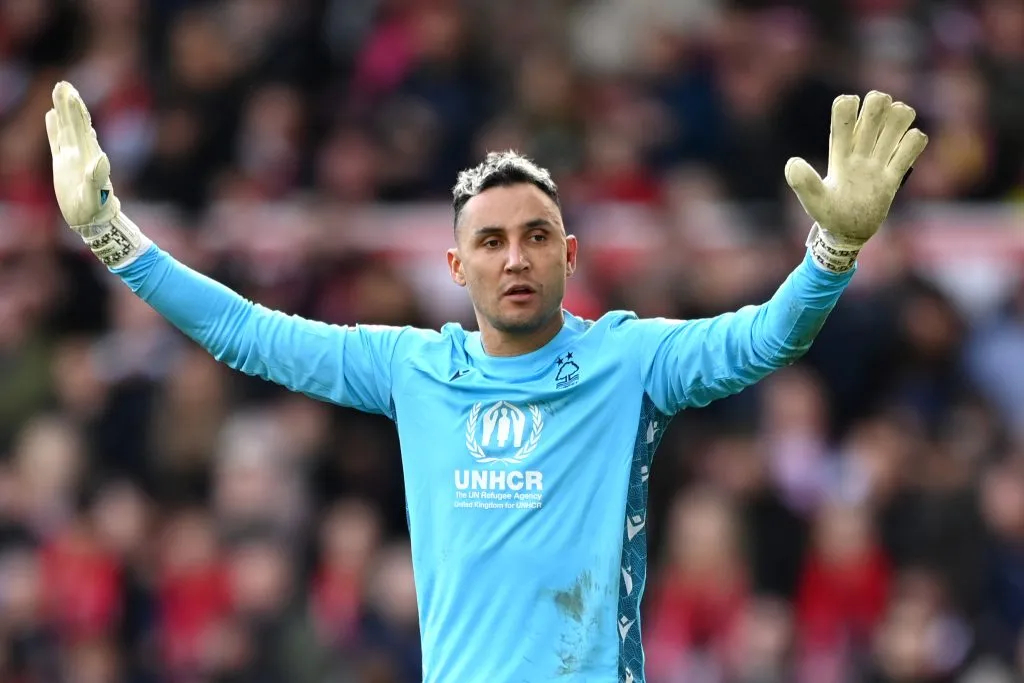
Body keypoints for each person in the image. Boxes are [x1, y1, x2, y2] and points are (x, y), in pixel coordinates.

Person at [44, 81, 927, 682]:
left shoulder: (630, 361)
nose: (516, 257)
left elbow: (766, 339)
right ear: (455, 266)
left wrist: (832, 250)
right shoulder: (411, 369)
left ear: (571, 256)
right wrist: (112, 236)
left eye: (538, 236)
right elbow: (245, 332)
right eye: (492, 241)